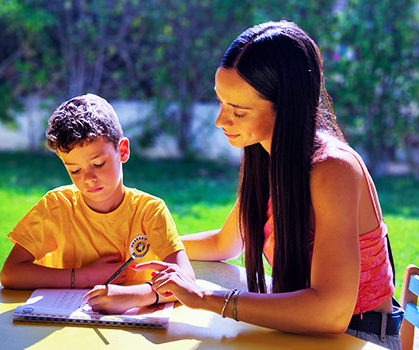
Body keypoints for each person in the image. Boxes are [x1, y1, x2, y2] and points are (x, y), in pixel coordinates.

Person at [133, 21, 403, 349]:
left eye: (239, 111)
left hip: (356, 338)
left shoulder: (333, 169)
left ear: (286, 108)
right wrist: (136, 248)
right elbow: (224, 243)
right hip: (302, 330)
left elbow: (330, 312)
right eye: (221, 102)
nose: (221, 120)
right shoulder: (267, 154)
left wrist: (206, 296)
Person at [0, 93, 194, 314]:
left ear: (122, 151)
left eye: (99, 164)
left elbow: (186, 278)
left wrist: (134, 296)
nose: (88, 178)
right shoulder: (56, 207)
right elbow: (10, 273)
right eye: (74, 170)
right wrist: (85, 277)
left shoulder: (149, 211)